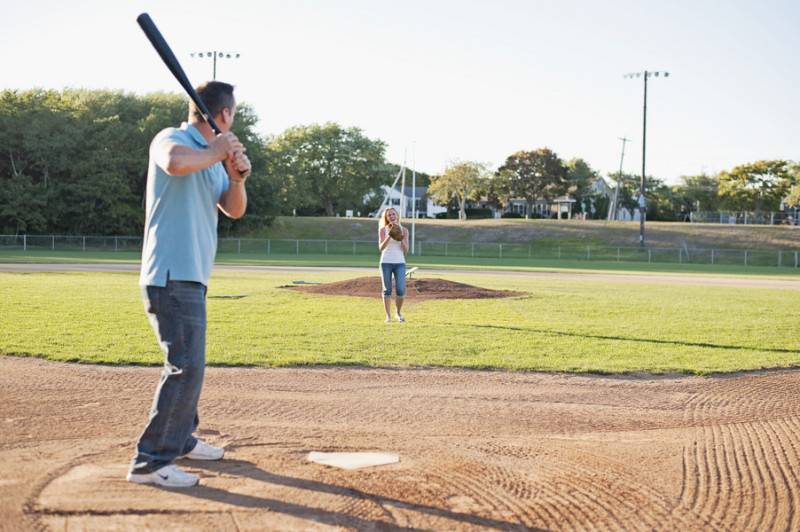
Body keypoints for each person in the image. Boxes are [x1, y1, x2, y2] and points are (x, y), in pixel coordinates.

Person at [126, 81, 252, 488]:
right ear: (225, 115)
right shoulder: (171, 138)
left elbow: (233, 211)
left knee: (190, 365)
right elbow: (174, 163)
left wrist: (235, 178)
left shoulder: (212, 162)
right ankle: (150, 461)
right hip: (170, 272)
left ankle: (180, 440)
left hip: (192, 274)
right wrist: (216, 152)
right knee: (185, 367)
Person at [378, 207, 409, 323]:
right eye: (389, 215)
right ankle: (388, 316)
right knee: (387, 290)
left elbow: (406, 251)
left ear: (397, 215)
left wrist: (400, 237)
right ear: (386, 218)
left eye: (393, 214)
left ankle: (398, 313)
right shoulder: (382, 230)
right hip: (385, 262)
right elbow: (381, 248)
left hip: (400, 262)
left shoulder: (405, 230)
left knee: (401, 290)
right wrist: (390, 235)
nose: (391, 216)